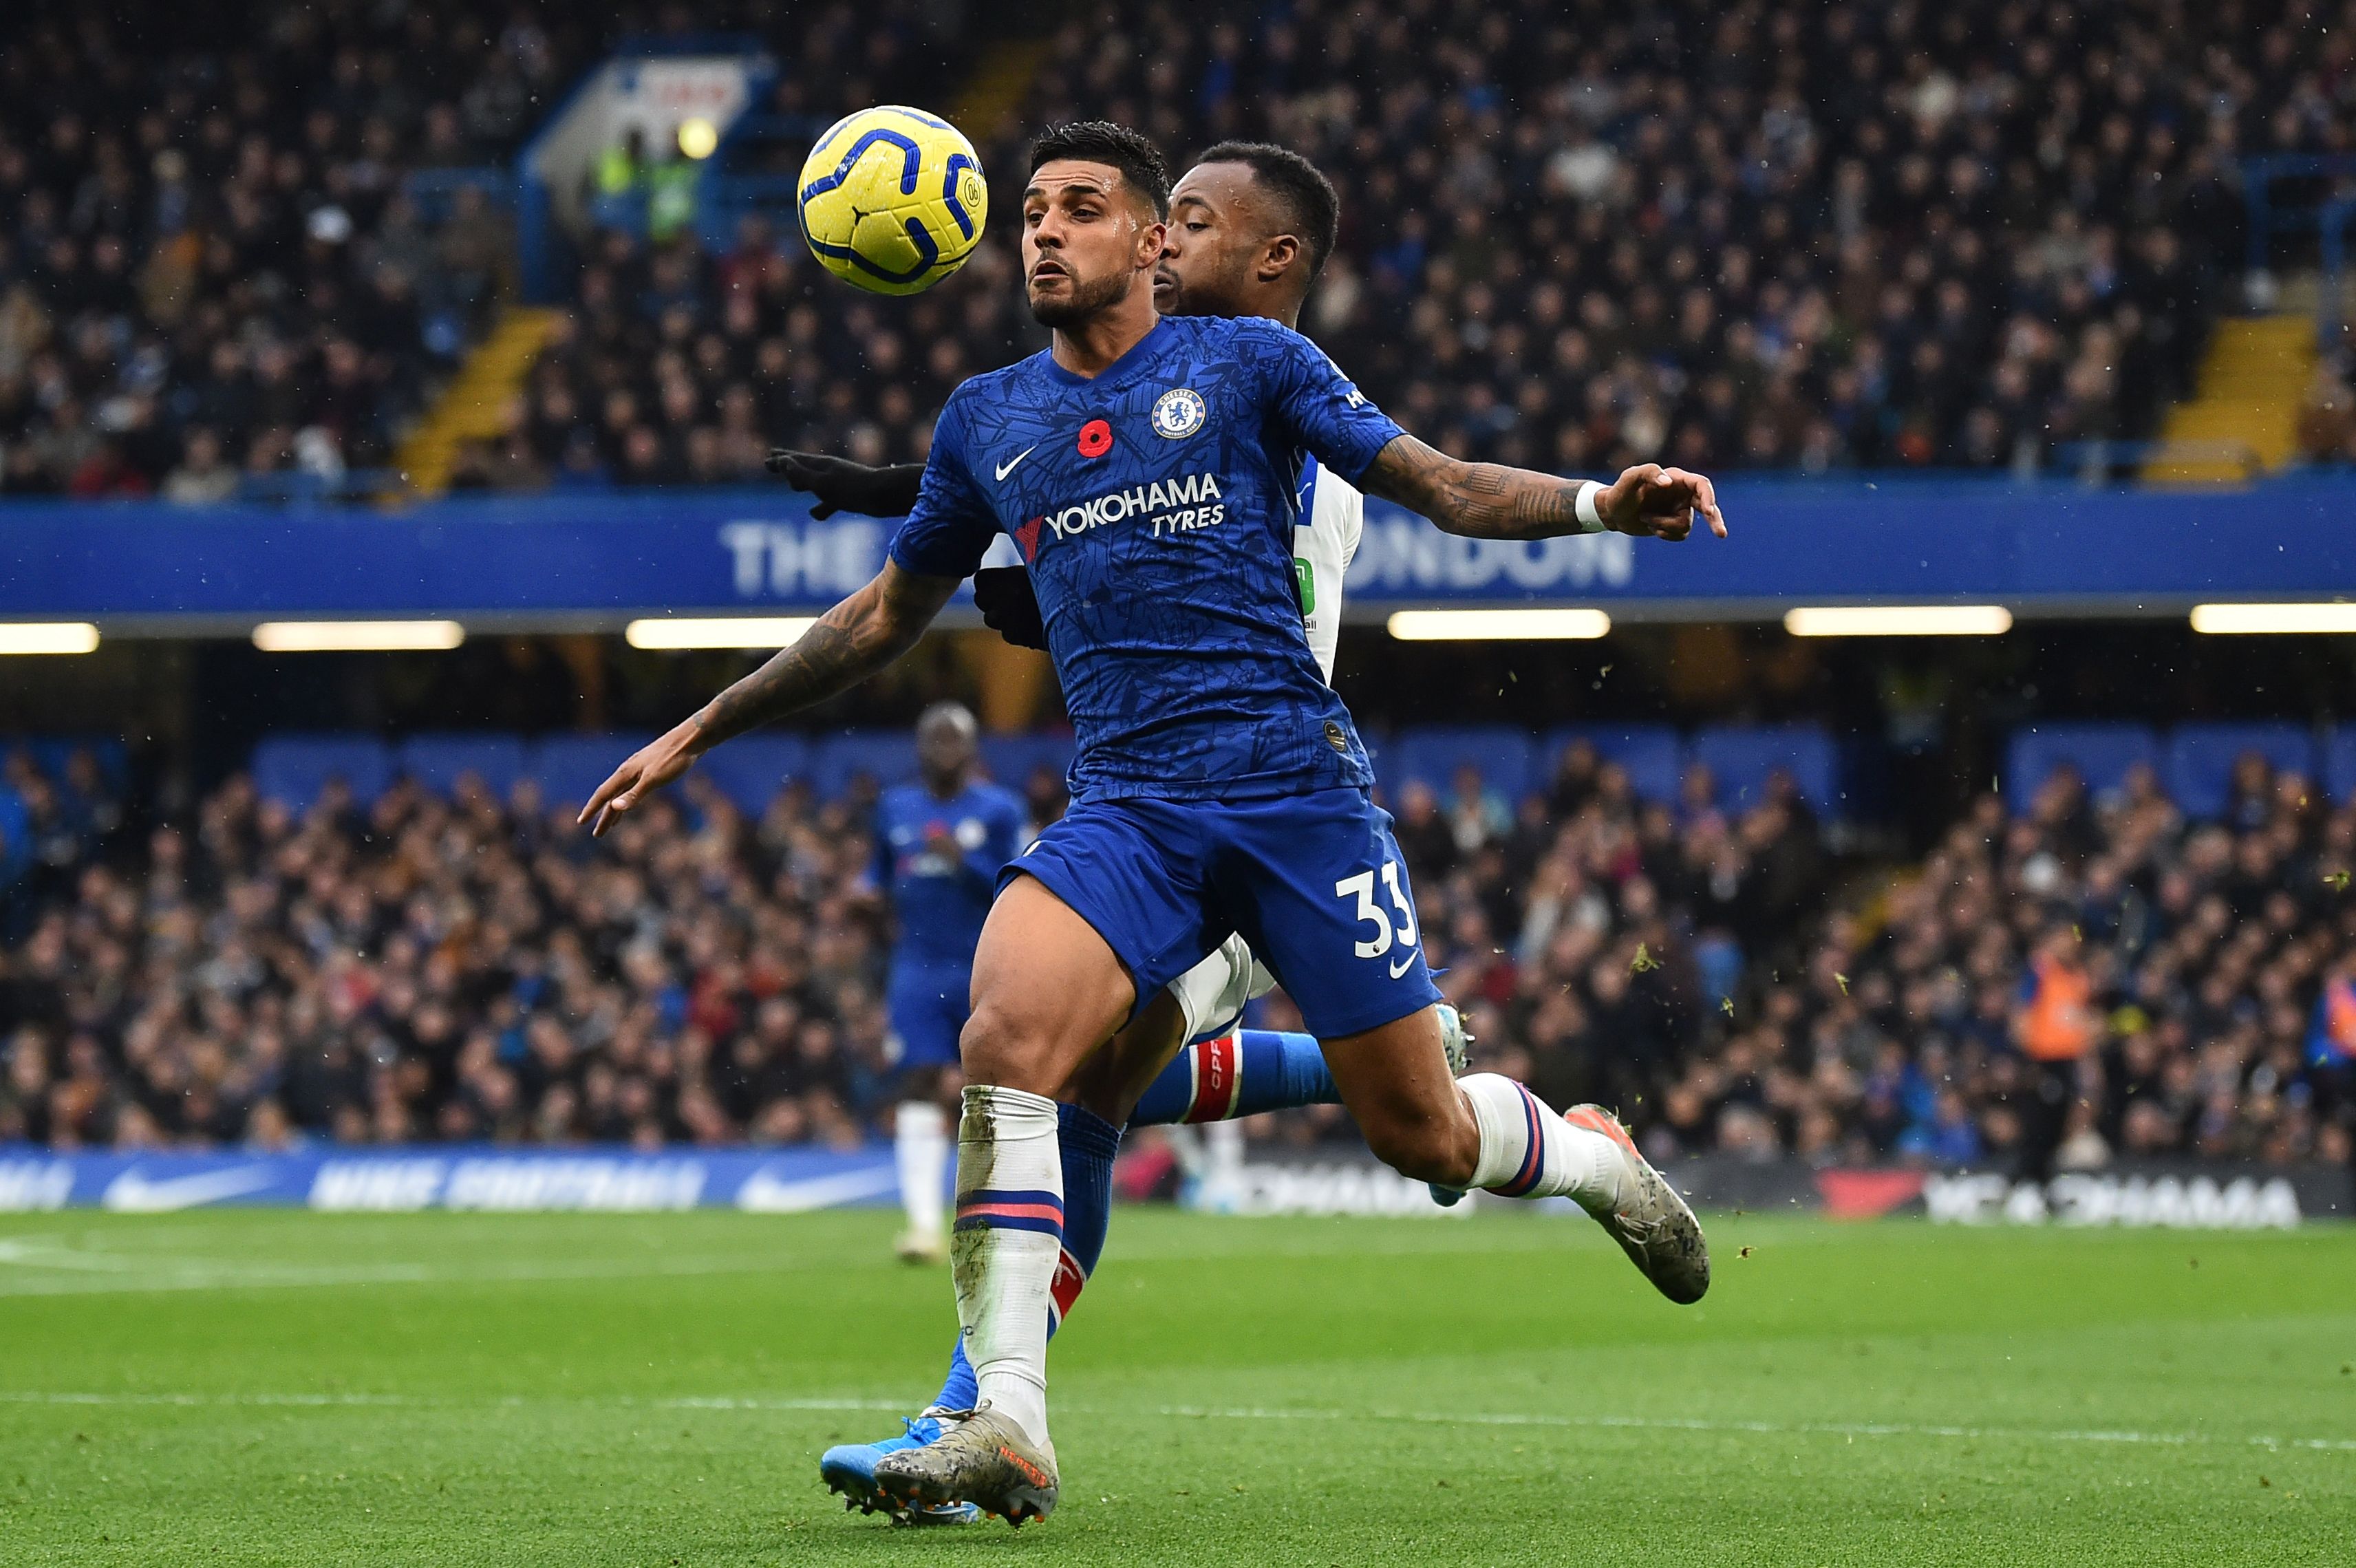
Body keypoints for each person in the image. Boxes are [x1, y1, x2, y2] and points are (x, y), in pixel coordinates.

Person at [581, 121, 1724, 1525]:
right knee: (1017, 1041)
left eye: (1110, 213)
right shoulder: (990, 412)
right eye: (1031, 214)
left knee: (1409, 1135)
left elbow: (1435, 481)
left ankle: (1582, 1149)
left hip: (1295, 790)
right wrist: (701, 724)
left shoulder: (1260, 371)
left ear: (1172, 248)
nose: (1054, 232)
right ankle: (998, 1413)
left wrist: (1602, 499)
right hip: (1131, 800)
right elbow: (893, 605)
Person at [777, 141, 1476, 1527]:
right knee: (1059, 1076)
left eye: (1188, 225)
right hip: (1161, 799)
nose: (1158, 246)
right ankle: (984, 1409)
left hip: (1270, 804)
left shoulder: (1283, 415)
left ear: (1255, 258)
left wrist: (1019, 562)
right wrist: (902, 490)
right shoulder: (1172, 392)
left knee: (1087, 1088)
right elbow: (1086, 481)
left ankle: (982, 1405)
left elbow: (1166, 538)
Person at [875, 702, 1028, 1264]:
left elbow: (1018, 885)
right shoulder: (895, 807)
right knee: (916, 1080)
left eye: (953, 741)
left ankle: (1000, 1216)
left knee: (995, 1082)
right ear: (919, 748)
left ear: (972, 748)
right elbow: (881, 875)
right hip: (915, 967)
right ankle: (921, 1226)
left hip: (981, 964)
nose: (943, 751)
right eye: (933, 740)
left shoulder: (1000, 808)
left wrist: (963, 861)